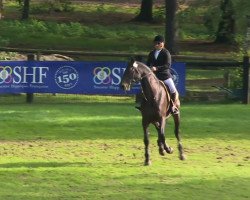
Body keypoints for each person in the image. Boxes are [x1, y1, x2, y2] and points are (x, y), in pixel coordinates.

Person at [146, 35, 178, 114]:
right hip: (154, 77)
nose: (156, 45)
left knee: (173, 89)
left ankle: (173, 106)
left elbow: (167, 65)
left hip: (165, 76)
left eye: (158, 43)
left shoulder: (166, 53)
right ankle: (144, 105)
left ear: (162, 44)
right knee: (145, 87)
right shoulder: (151, 53)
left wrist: (156, 68)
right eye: (155, 43)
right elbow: (147, 64)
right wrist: (150, 68)